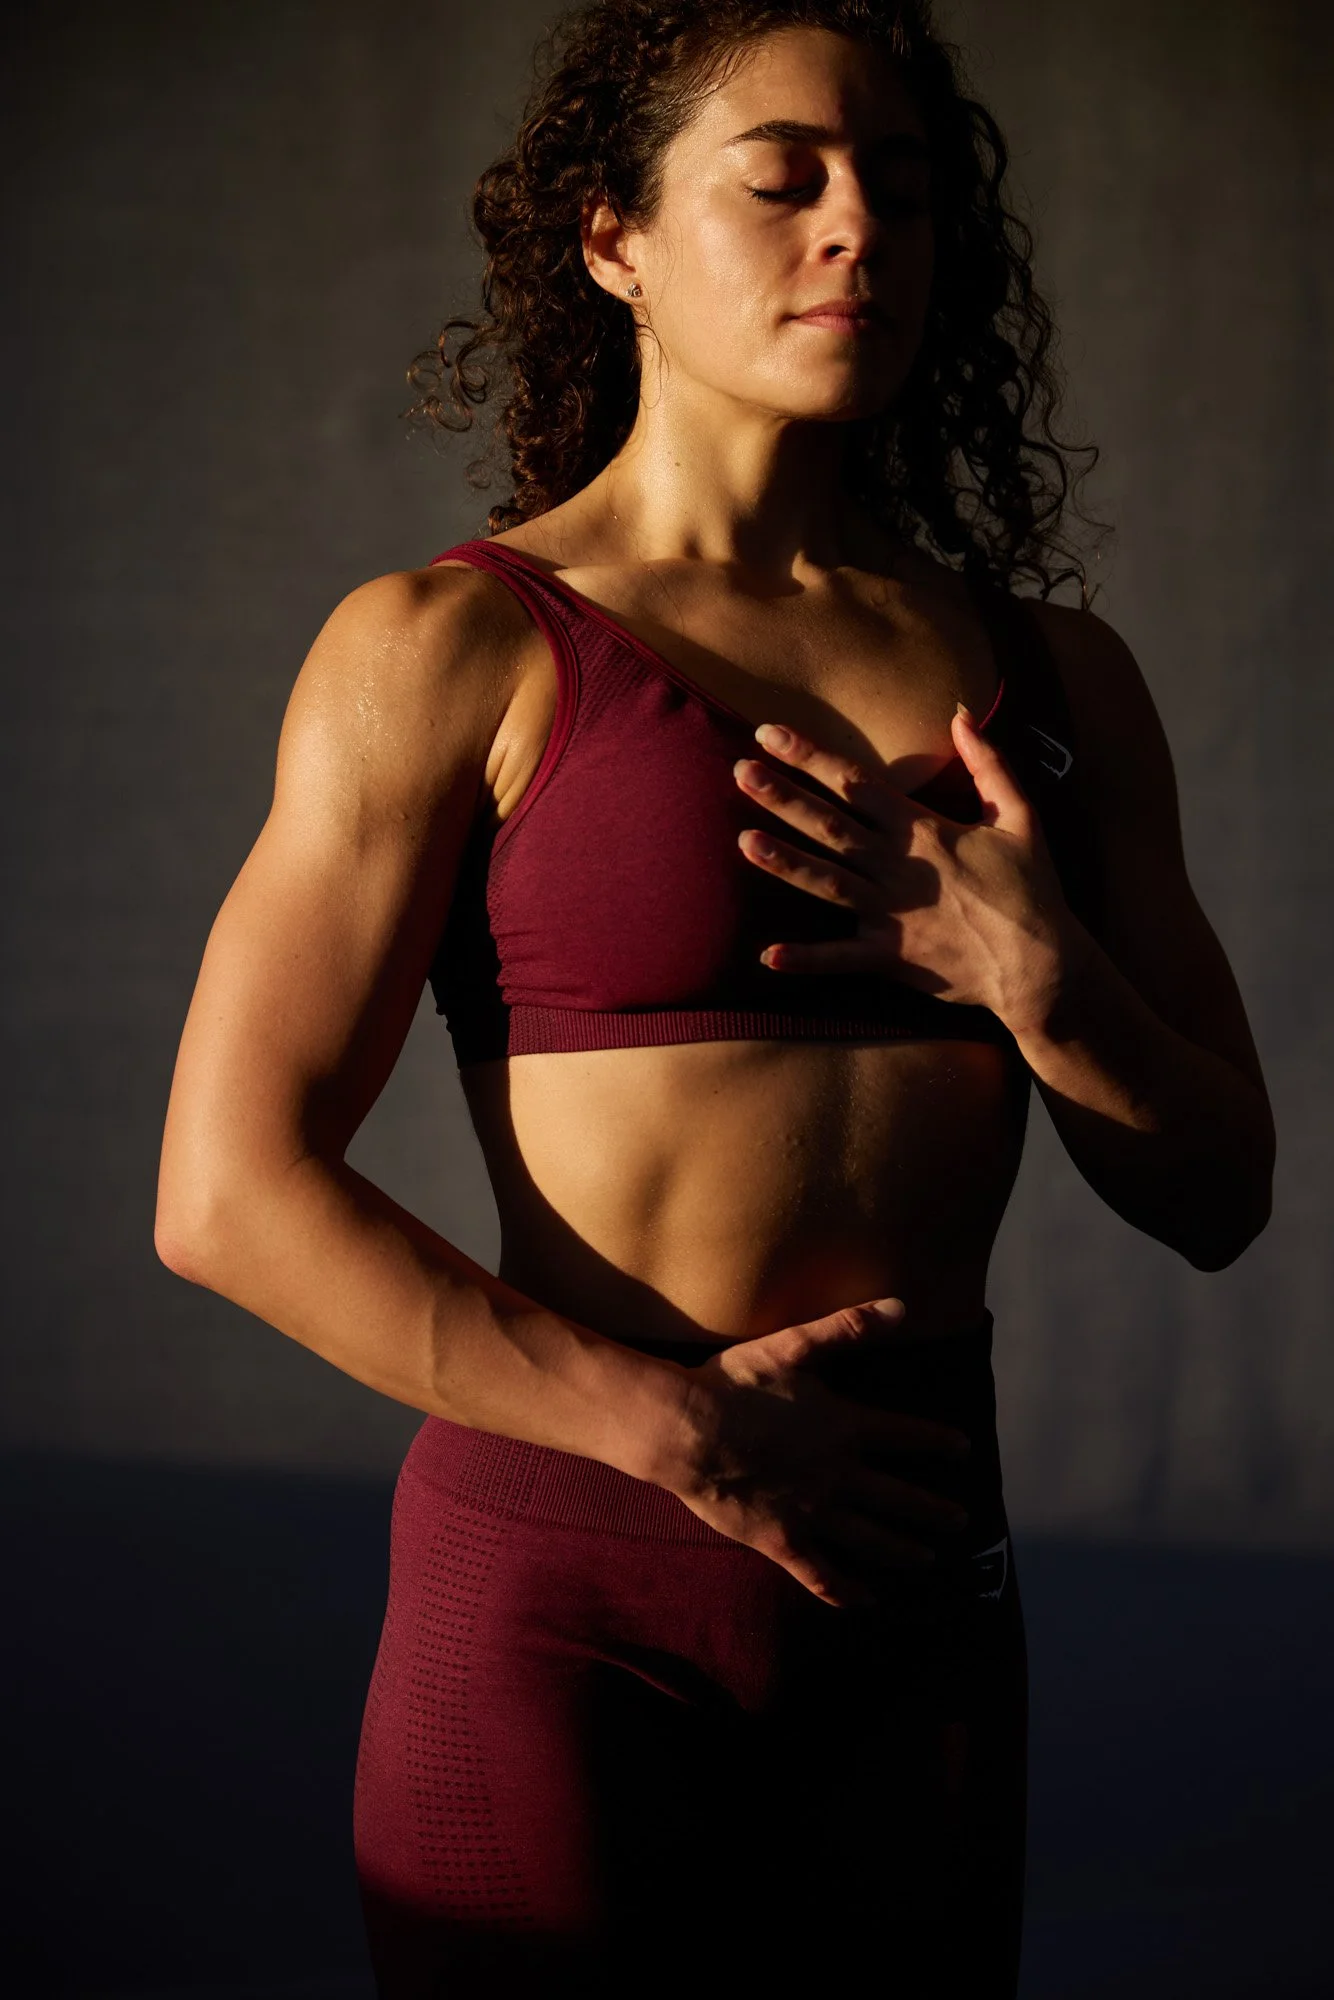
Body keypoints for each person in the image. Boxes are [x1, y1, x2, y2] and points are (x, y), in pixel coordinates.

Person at [155, 2, 1275, 1993]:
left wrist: (1037, 979)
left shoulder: (1059, 684)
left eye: (901, 191)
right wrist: (680, 1434)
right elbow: (226, 1194)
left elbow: (1218, 1192)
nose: (859, 231)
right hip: (570, 1606)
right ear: (613, 239)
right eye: (783, 180)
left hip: (917, 1614)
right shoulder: (449, 647)